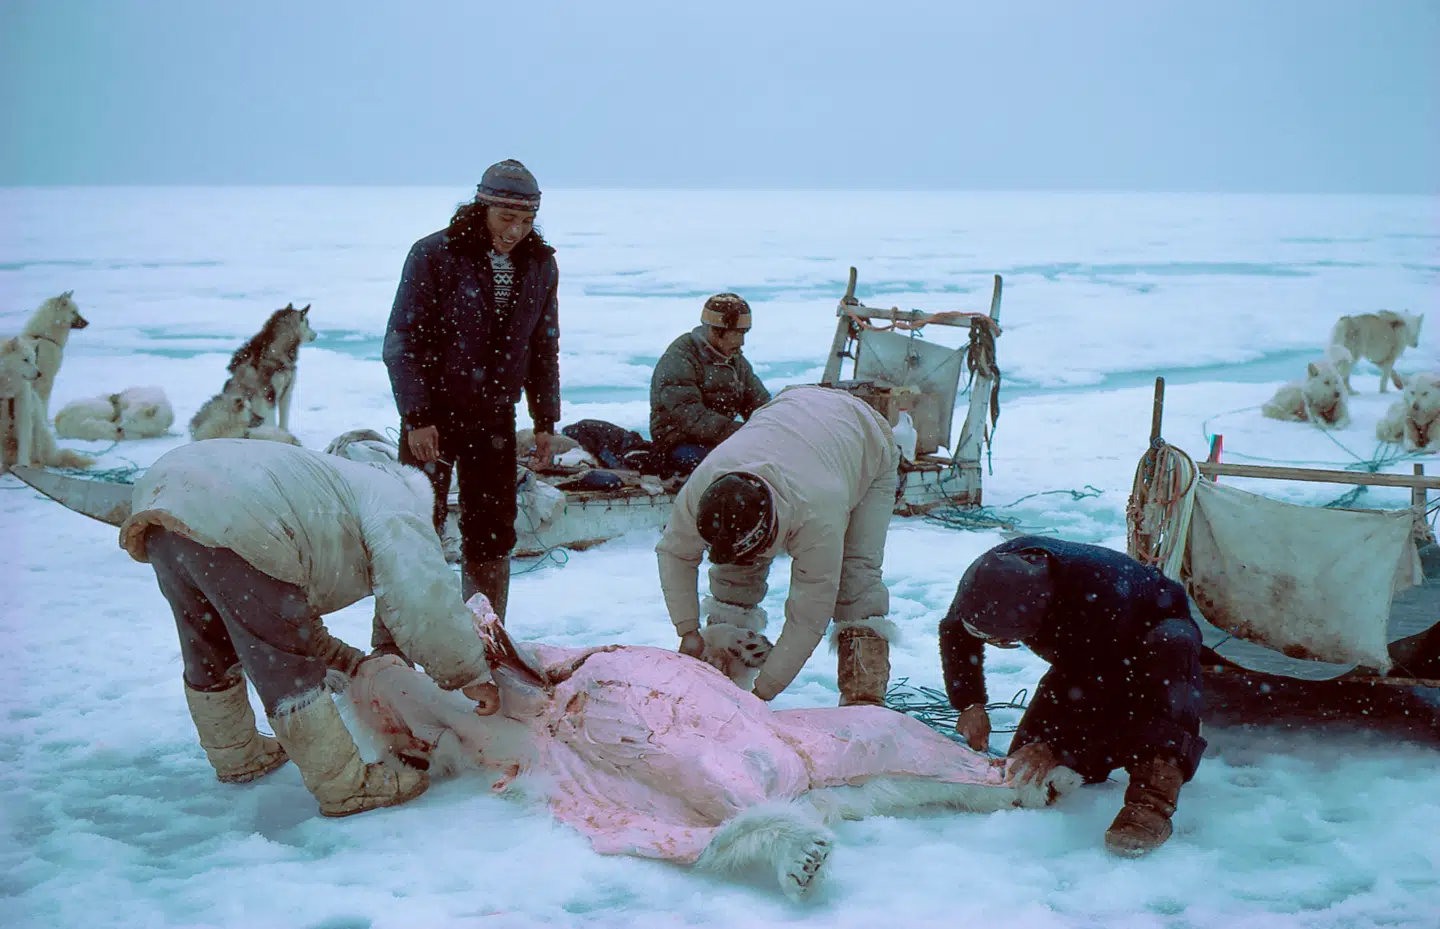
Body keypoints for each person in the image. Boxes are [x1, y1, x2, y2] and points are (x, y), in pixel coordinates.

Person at [117, 439, 502, 818]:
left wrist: (354, 664)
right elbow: (424, 597)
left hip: (164, 502)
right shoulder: (400, 506)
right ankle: (345, 786)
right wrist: (468, 672)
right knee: (285, 664)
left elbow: (289, 620)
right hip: (234, 510)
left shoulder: (337, 488)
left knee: (208, 640)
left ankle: (236, 754)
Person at [938, 535, 1208, 857]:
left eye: (1002, 638)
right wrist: (970, 703)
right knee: (1027, 767)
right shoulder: (986, 576)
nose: (993, 642)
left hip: (1150, 626)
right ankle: (1088, 757)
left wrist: (1056, 746)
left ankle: (1152, 800)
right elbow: (956, 631)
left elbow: (1102, 678)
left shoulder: (1096, 591)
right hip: (1082, 652)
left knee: (1157, 684)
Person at [382, 158, 560, 624]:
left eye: (526, 221)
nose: (515, 230)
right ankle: (395, 642)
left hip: (495, 417)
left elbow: (543, 346)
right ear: (481, 208)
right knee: (415, 528)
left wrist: (545, 422)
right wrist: (417, 416)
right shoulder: (435, 254)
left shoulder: (541, 264)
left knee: (492, 533)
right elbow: (403, 341)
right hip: (434, 416)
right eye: (506, 218)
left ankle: (483, 635)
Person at [656, 384, 900, 706]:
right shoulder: (704, 488)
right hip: (790, 411)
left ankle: (863, 701)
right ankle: (719, 686)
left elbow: (809, 615)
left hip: (865, 438)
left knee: (855, 582)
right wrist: (687, 630)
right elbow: (675, 552)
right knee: (734, 573)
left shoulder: (818, 516)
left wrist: (764, 692)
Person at [649, 292, 770, 479]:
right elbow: (691, 417)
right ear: (715, 331)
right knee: (730, 467)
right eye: (737, 334)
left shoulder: (735, 360)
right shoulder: (679, 359)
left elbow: (759, 402)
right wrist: (740, 434)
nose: (742, 342)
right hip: (678, 444)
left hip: (721, 441)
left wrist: (773, 425)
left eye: (744, 333)